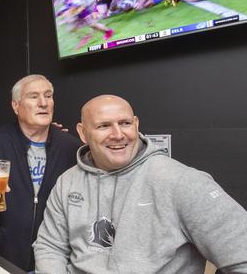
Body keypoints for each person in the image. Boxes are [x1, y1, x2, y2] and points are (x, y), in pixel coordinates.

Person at [33, 95, 247, 274]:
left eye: (125, 123)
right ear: (82, 133)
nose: (118, 134)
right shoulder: (68, 181)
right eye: (104, 126)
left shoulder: (182, 182)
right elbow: (50, 246)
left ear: (136, 124)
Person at [0, 74, 81, 272]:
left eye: (48, 96)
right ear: (16, 106)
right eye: (34, 97)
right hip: (0, 259)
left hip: (54, 264)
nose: (43, 103)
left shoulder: (71, 147)